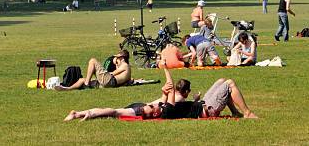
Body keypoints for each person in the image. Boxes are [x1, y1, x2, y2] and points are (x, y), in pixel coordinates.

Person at [64, 73, 257, 120]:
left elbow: (169, 95)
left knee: (222, 79)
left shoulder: (164, 107)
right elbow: (172, 90)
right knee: (229, 83)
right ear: (155, 114)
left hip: (202, 104)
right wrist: (165, 70)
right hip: (208, 109)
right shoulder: (168, 110)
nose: (151, 105)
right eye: (151, 107)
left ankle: (235, 112)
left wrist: (164, 95)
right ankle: (246, 113)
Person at [55, 49, 131, 91]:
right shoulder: (126, 68)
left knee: (93, 60)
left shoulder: (125, 65)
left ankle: (87, 84)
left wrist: (101, 72)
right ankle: (68, 89)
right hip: (109, 83)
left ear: (122, 57)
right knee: (82, 79)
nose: (116, 59)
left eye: (117, 57)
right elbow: (126, 79)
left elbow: (113, 74)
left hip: (110, 81)